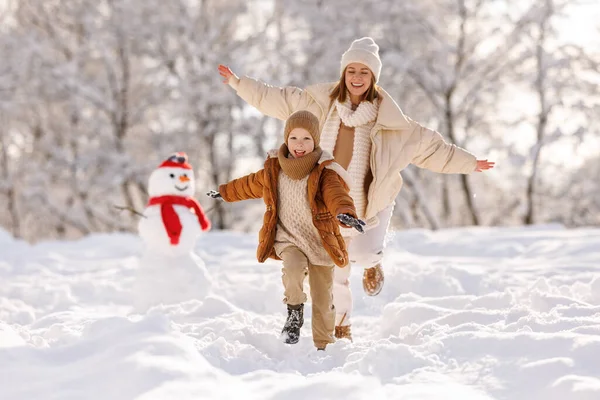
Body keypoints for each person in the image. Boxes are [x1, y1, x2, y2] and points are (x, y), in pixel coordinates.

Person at [217, 37, 495, 340]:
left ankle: (373, 263)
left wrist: (470, 162)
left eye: (364, 72)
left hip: (371, 205)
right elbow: (276, 98)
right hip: (325, 203)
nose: (357, 78)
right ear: (343, 73)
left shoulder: (392, 122)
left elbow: (432, 148)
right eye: (352, 70)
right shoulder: (318, 103)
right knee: (335, 267)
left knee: (363, 254)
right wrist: (238, 83)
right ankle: (342, 325)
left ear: (373, 77)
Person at [207, 110, 365, 351]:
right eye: (293, 138)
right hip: (289, 239)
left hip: (320, 242)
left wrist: (346, 213)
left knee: (323, 298)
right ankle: (294, 314)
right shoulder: (274, 169)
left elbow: (337, 195)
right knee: (291, 269)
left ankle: (324, 346)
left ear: (315, 141)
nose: (299, 145)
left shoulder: (324, 171)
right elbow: (249, 184)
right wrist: (226, 192)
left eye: (306, 139)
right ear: (285, 138)